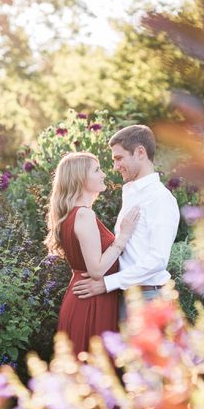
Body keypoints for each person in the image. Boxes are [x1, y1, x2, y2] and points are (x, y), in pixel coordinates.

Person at [72, 125, 180, 312]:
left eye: (119, 158)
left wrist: (107, 283)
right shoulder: (132, 193)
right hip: (128, 298)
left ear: (140, 153)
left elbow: (157, 259)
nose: (115, 166)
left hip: (149, 301)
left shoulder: (159, 198)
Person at [45, 152, 139, 356]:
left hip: (85, 296)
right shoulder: (84, 215)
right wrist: (124, 236)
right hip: (91, 301)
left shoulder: (73, 215)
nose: (104, 174)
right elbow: (96, 270)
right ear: (80, 178)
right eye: (97, 170)